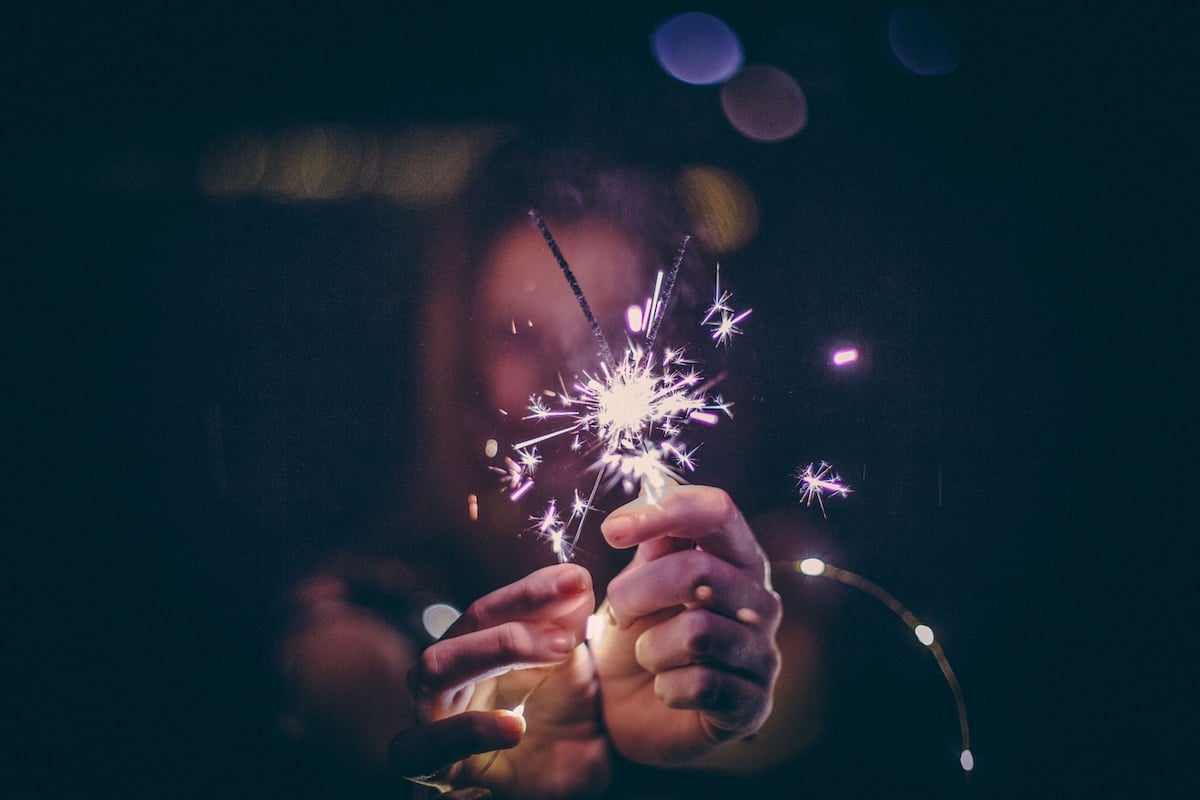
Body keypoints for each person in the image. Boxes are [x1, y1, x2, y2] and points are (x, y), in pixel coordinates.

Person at [271, 136, 831, 799]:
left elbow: (802, 707)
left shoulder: (774, 574)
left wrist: (731, 704)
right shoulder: (364, 608)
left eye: (615, 336)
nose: (572, 385)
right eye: (523, 336)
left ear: (673, 345)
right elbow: (356, 708)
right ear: (461, 360)